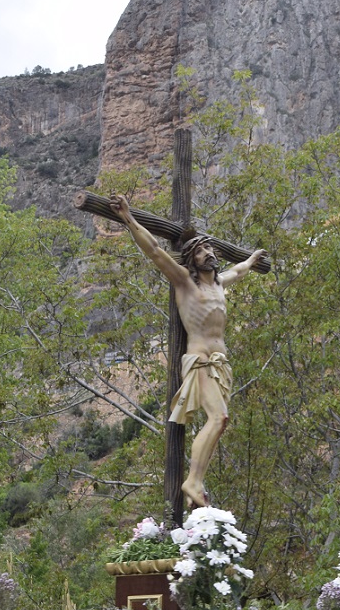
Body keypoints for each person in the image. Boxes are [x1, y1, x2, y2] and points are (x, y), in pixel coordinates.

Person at [109, 195, 267, 508]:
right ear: (190, 260)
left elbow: (239, 270)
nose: (207, 253)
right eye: (199, 251)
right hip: (201, 361)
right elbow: (154, 251)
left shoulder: (220, 284)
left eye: (209, 248)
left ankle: (197, 480)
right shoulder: (185, 283)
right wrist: (128, 218)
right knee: (219, 417)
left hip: (221, 364)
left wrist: (251, 260)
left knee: (220, 422)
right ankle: (192, 481)